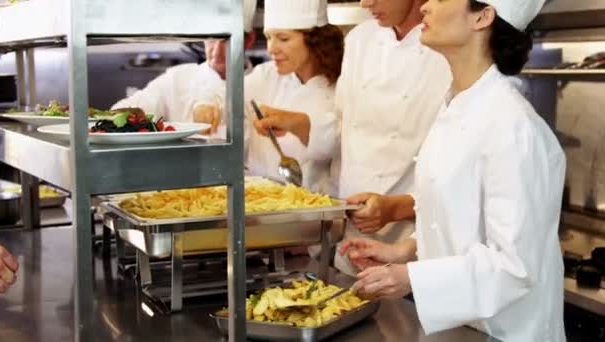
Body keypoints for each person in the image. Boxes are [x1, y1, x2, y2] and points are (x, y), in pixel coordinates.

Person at [340, 0, 566, 340]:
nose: (427, 5)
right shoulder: (457, 107)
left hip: (506, 332)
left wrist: (411, 278)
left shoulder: (512, 127)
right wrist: (405, 251)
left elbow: (515, 268)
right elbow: (459, 215)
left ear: (483, 16)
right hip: (461, 328)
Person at [253, 0, 452, 273]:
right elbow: (344, 127)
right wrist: (300, 124)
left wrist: (396, 209)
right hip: (354, 235)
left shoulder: (447, 46)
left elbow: (456, 167)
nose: (365, 2)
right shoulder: (360, 39)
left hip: (413, 239)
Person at [194, 0, 345, 195]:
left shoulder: (340, 88)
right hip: (254, 198)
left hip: (308, 208)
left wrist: (296, 123)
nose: (271, 48)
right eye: (268, 37)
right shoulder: (266, 75)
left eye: (283, 38)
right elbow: (224, 95)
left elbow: (339, 145)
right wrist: (207, 106)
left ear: (315, 41)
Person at [110, 0, 257, 122]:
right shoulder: (177, 80)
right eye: (211, 38)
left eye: (226, 41)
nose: (217, 51)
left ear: (249, 40)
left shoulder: (264, 83)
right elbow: (119, 114)